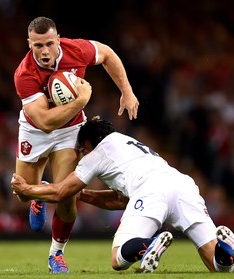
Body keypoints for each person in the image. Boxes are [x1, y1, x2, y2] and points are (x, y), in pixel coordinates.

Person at [11, 116, 234, 273]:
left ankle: (149, 245)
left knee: (118, 259)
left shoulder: (96, 154)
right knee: (218, 267)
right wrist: (83, 194)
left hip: (151, 191)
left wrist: (28, 190)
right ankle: (227, 246)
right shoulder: (128, 143)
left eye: (81, 148)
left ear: (88, 144)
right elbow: (120, 200)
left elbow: (61, 190)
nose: (80, 154)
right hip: (182, 185)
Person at [13, 16, 139, 273]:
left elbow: (107, 54)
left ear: (58, 39)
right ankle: (38, 194)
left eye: (49, 43)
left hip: (70, 131)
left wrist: (126, 91)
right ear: (29, 44)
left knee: (67, 197)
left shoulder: (76, 49)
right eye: (38, 46)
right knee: (22, 194)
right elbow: (45, 122)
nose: (44, 51)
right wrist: (81, 100)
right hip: (35, 131)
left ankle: (56, 254)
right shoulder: (24, 74)